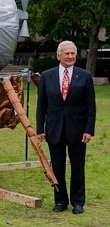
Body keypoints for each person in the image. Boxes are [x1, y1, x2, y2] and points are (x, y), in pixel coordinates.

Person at [36, 40, 96, 214]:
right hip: (54, 129)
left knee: (78, 167)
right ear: (58, 55)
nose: (70, 56)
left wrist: (88, 129)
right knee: (58, 167)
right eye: (67, 53)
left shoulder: (84, 76)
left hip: (77, 130)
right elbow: (42, 106)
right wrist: (40, 128)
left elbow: (90, 106)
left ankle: (78, 202)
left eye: (73, 53)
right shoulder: (47, 76)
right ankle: (60, 200)